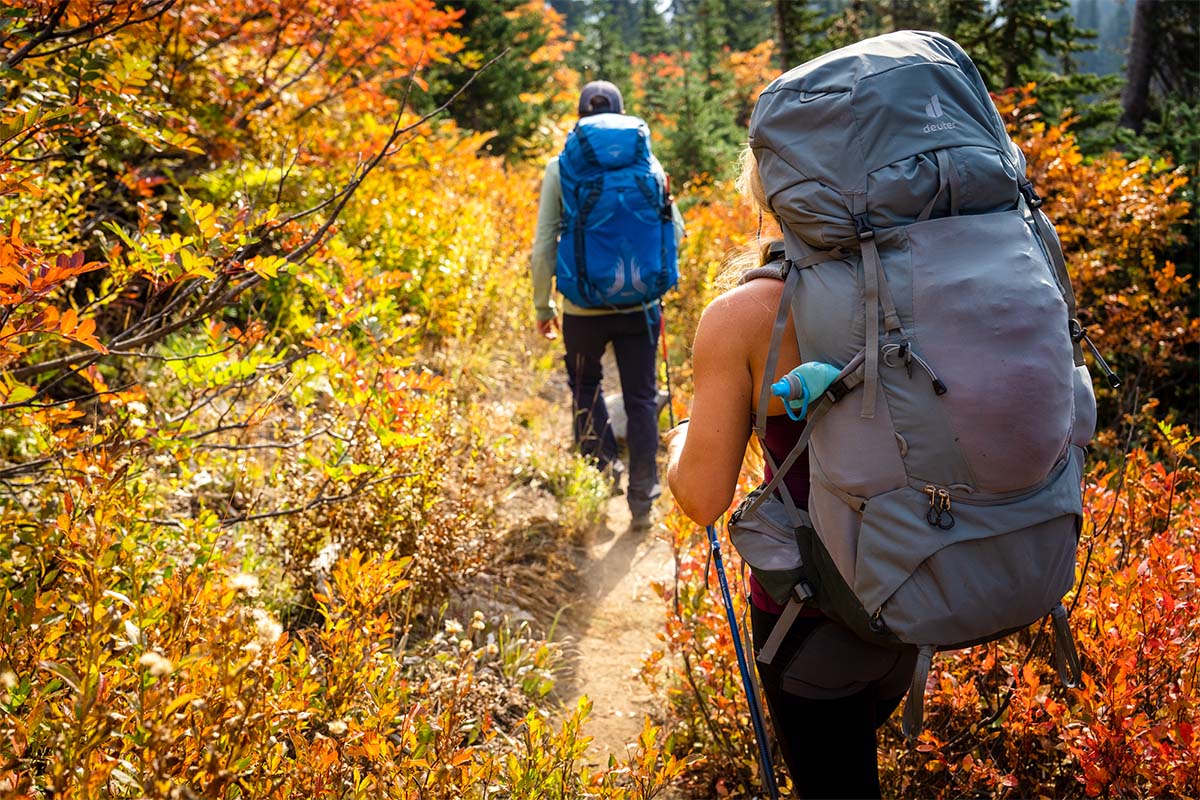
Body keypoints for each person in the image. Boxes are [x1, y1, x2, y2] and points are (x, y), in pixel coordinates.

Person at [664, 149, 914, 799]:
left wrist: (684, 440)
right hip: (927, 584)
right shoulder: (930, 284)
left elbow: (701, 500)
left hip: (811, 616)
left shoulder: (747, 316)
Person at [531, 80, 686, 531]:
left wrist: (543, 304)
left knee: (585, 388)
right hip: (641, 306)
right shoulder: (650, 165)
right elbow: (674, 232)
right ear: (622, 115)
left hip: (580, 306)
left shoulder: (561, 166)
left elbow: (543, 244)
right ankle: (643, 498)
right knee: (641, 398)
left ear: (581, 117)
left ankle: (600, 478)